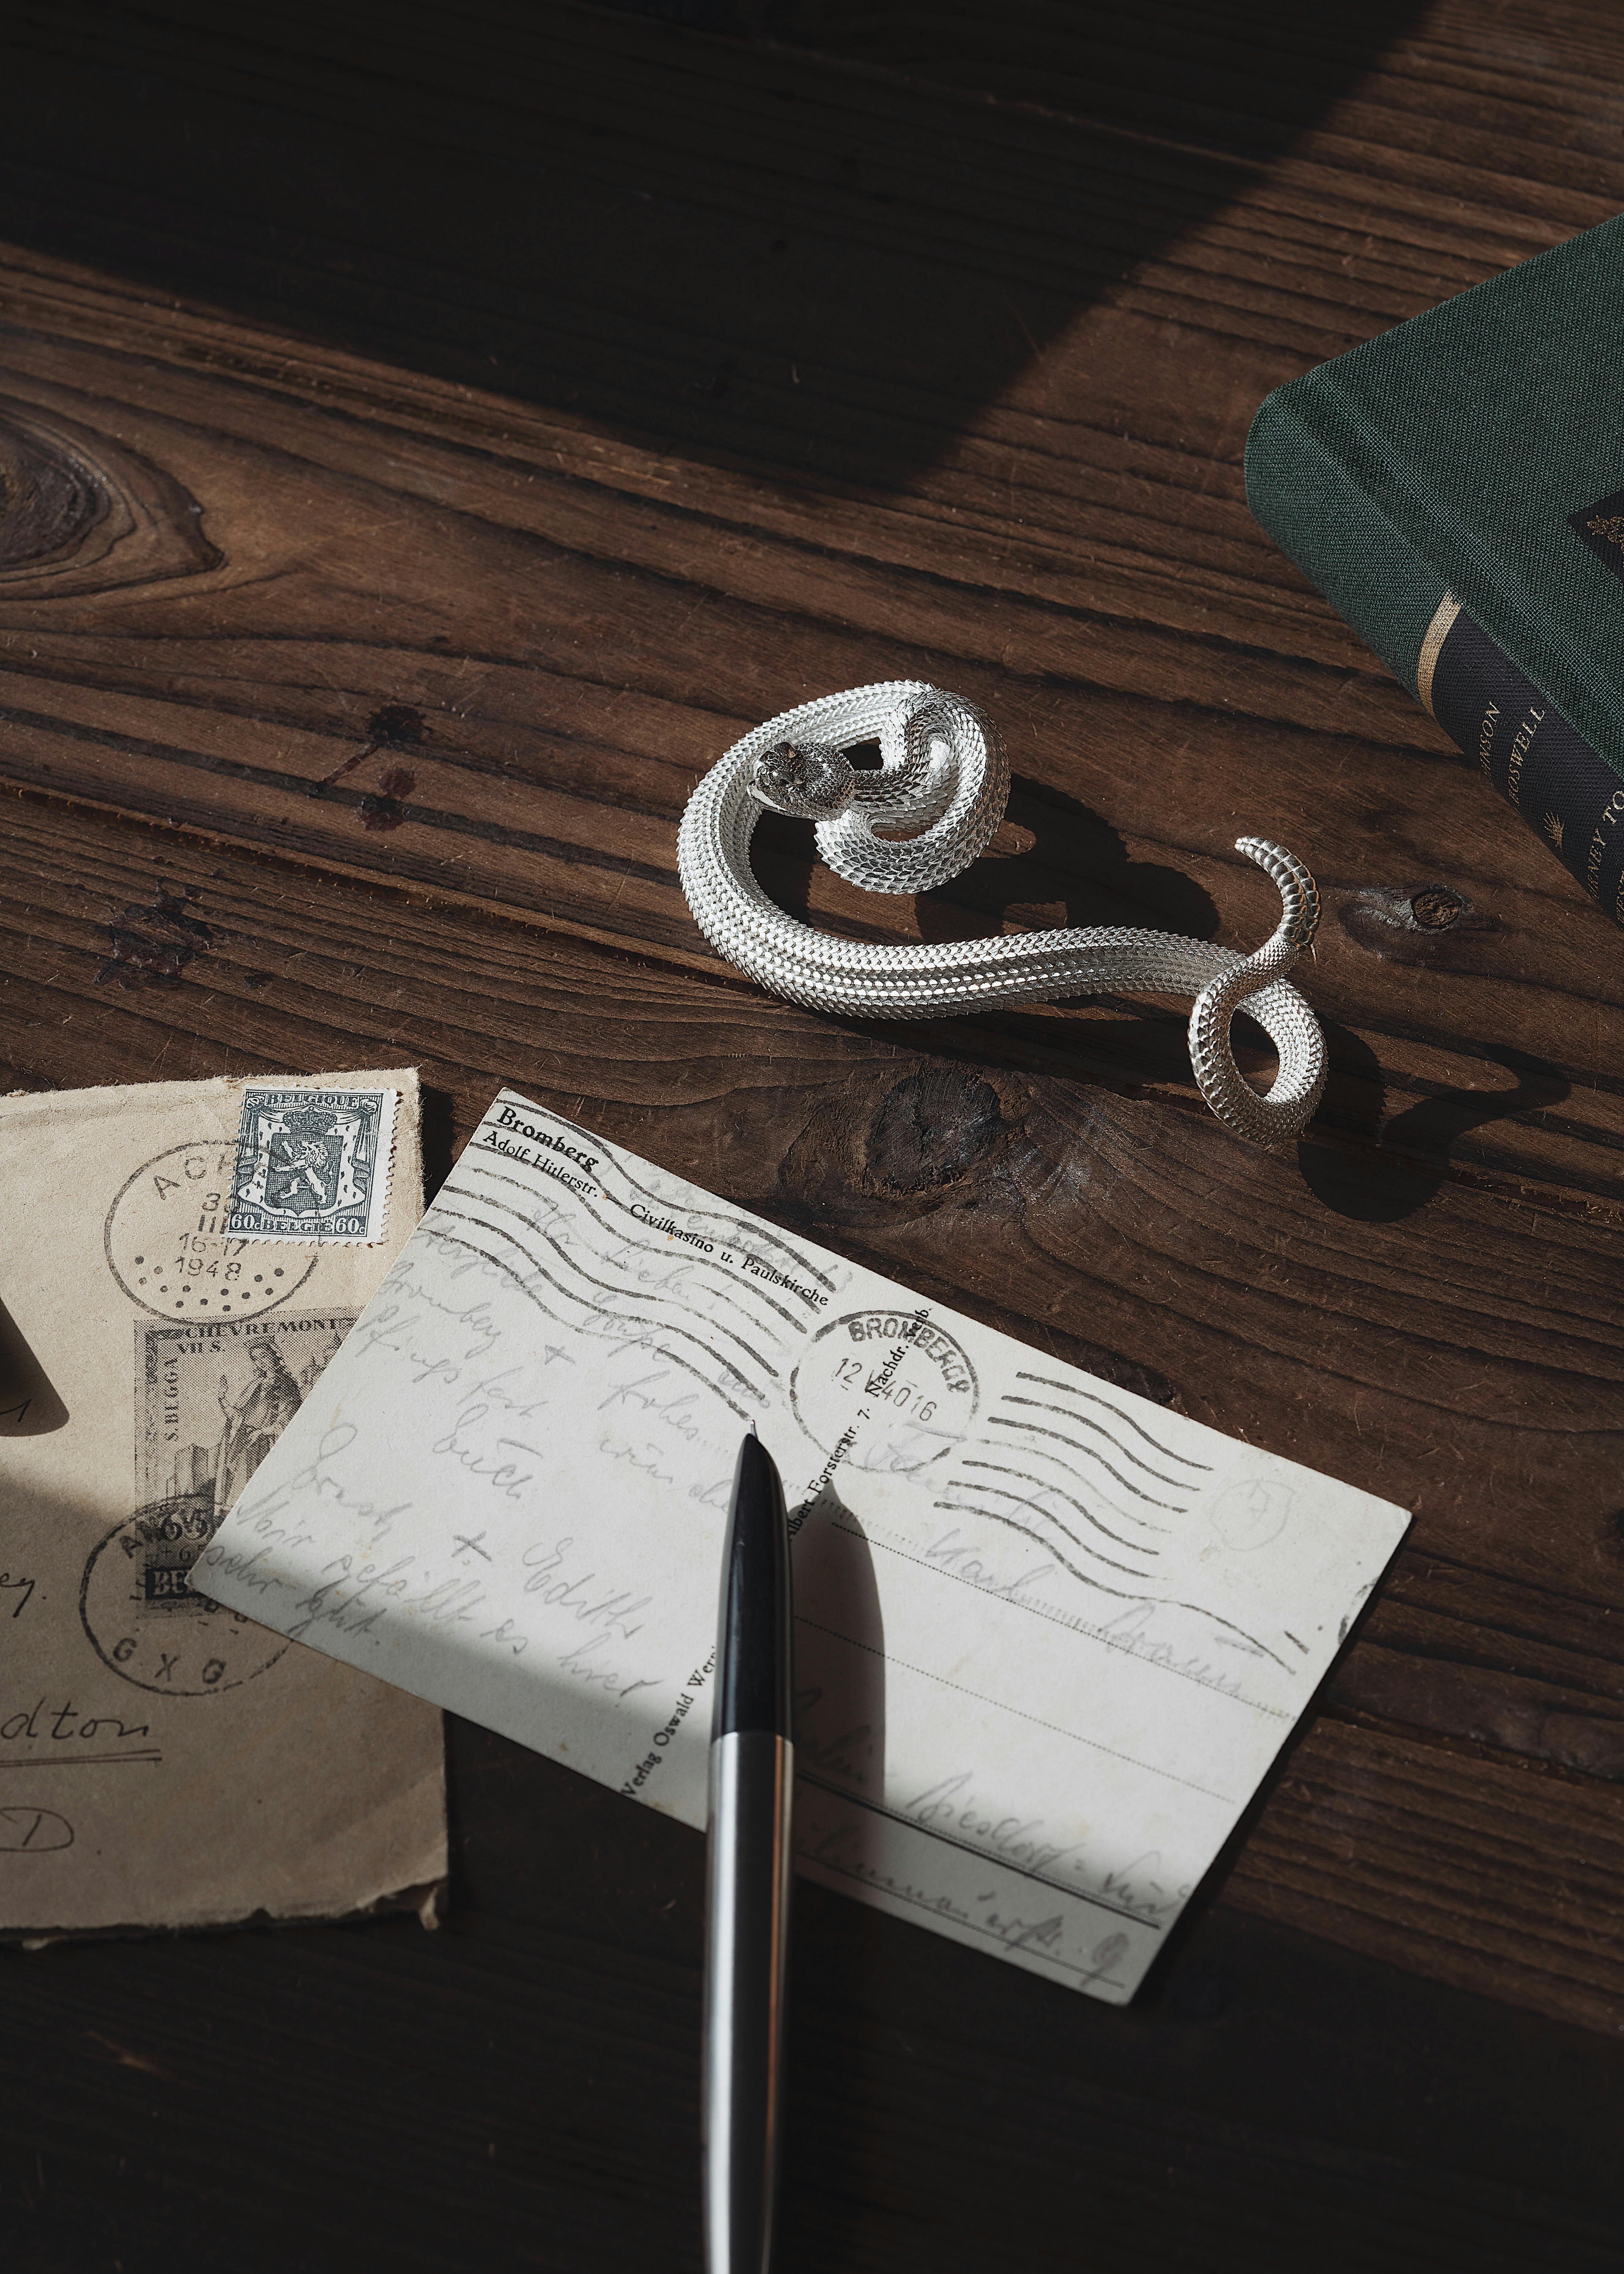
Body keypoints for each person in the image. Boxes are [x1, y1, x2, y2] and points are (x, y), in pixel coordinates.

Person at [214, 1338, 302, 1515]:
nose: (261, 1362)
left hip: (268, 1443)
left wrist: (263, 1432)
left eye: (264, 1356)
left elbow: (290, 1418)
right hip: (249, 1441)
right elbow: (239, 1416)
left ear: (274, 1356)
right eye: (257, 1358)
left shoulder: (286, 1384)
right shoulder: (257, 1385)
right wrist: (223, 1399)